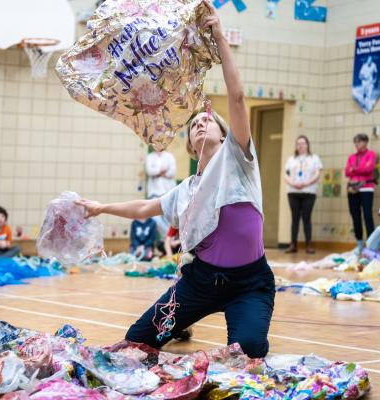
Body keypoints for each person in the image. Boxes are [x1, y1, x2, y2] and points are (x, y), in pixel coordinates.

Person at [76, 1, 275, 358]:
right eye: (194, 123)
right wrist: (100, 207)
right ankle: (181, 319)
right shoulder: (186, 190)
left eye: (207, 120)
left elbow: (238, 96)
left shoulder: (239, 160)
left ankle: (233, 324)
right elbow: (144, 207)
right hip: (199, 282)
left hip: (250, 283)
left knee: (249, 351)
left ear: (224, 133)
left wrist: (220, 38)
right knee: (138, 341)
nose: (200, 123)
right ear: (188, 143)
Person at [283, 135, 322, 254]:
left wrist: (306, 183)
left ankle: (309, 245)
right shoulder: (291, 159)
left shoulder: (314, 158)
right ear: (296, 146)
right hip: (293, 192)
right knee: (295, 218)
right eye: (298, 143)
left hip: (309, 192)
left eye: (303, 143)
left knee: (306, 217)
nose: (300, 145)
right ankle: (293, 244)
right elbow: (285, 175)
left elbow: (317, 173)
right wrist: (293, 184)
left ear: (307, 145)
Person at [345, 133, 377, 255]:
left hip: (366, 188)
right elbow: (347, 172)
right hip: (353, 189)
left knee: (367, 215)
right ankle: (359, 243)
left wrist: (355, 169)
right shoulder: (351, 157)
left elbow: (368, 169)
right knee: (355, 215)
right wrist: (357, 168)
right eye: (355, 142)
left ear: (365, 142)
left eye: (359, 142)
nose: (357, 144)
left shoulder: (371, 154)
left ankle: (371, 244)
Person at [145, 150, 177, 238]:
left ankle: (169, 242)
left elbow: (172, 172)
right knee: (155, 218)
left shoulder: (170, 156)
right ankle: (169, 239)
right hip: (154, 193)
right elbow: (149, 171)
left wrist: (157, 173)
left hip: (168, 192)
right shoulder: (150, 157)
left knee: (168, 219)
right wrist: (162, 170)